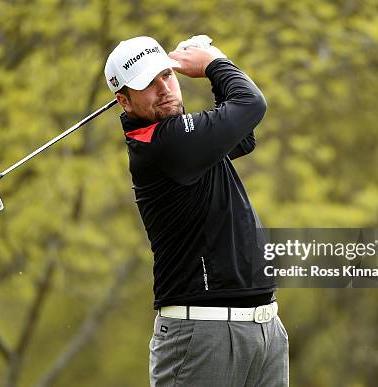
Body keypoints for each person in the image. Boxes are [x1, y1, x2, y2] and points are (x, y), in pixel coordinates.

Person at [104, 36, 289, 386]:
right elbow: (251, 104)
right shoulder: (161, 144)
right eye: (148, 84)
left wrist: (215, 67)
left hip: (263, 329)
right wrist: (213, 62)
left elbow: (243, 135)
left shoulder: (185, 139)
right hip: (202, 334)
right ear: (124, 102)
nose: (164, 89)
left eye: (167, 76)